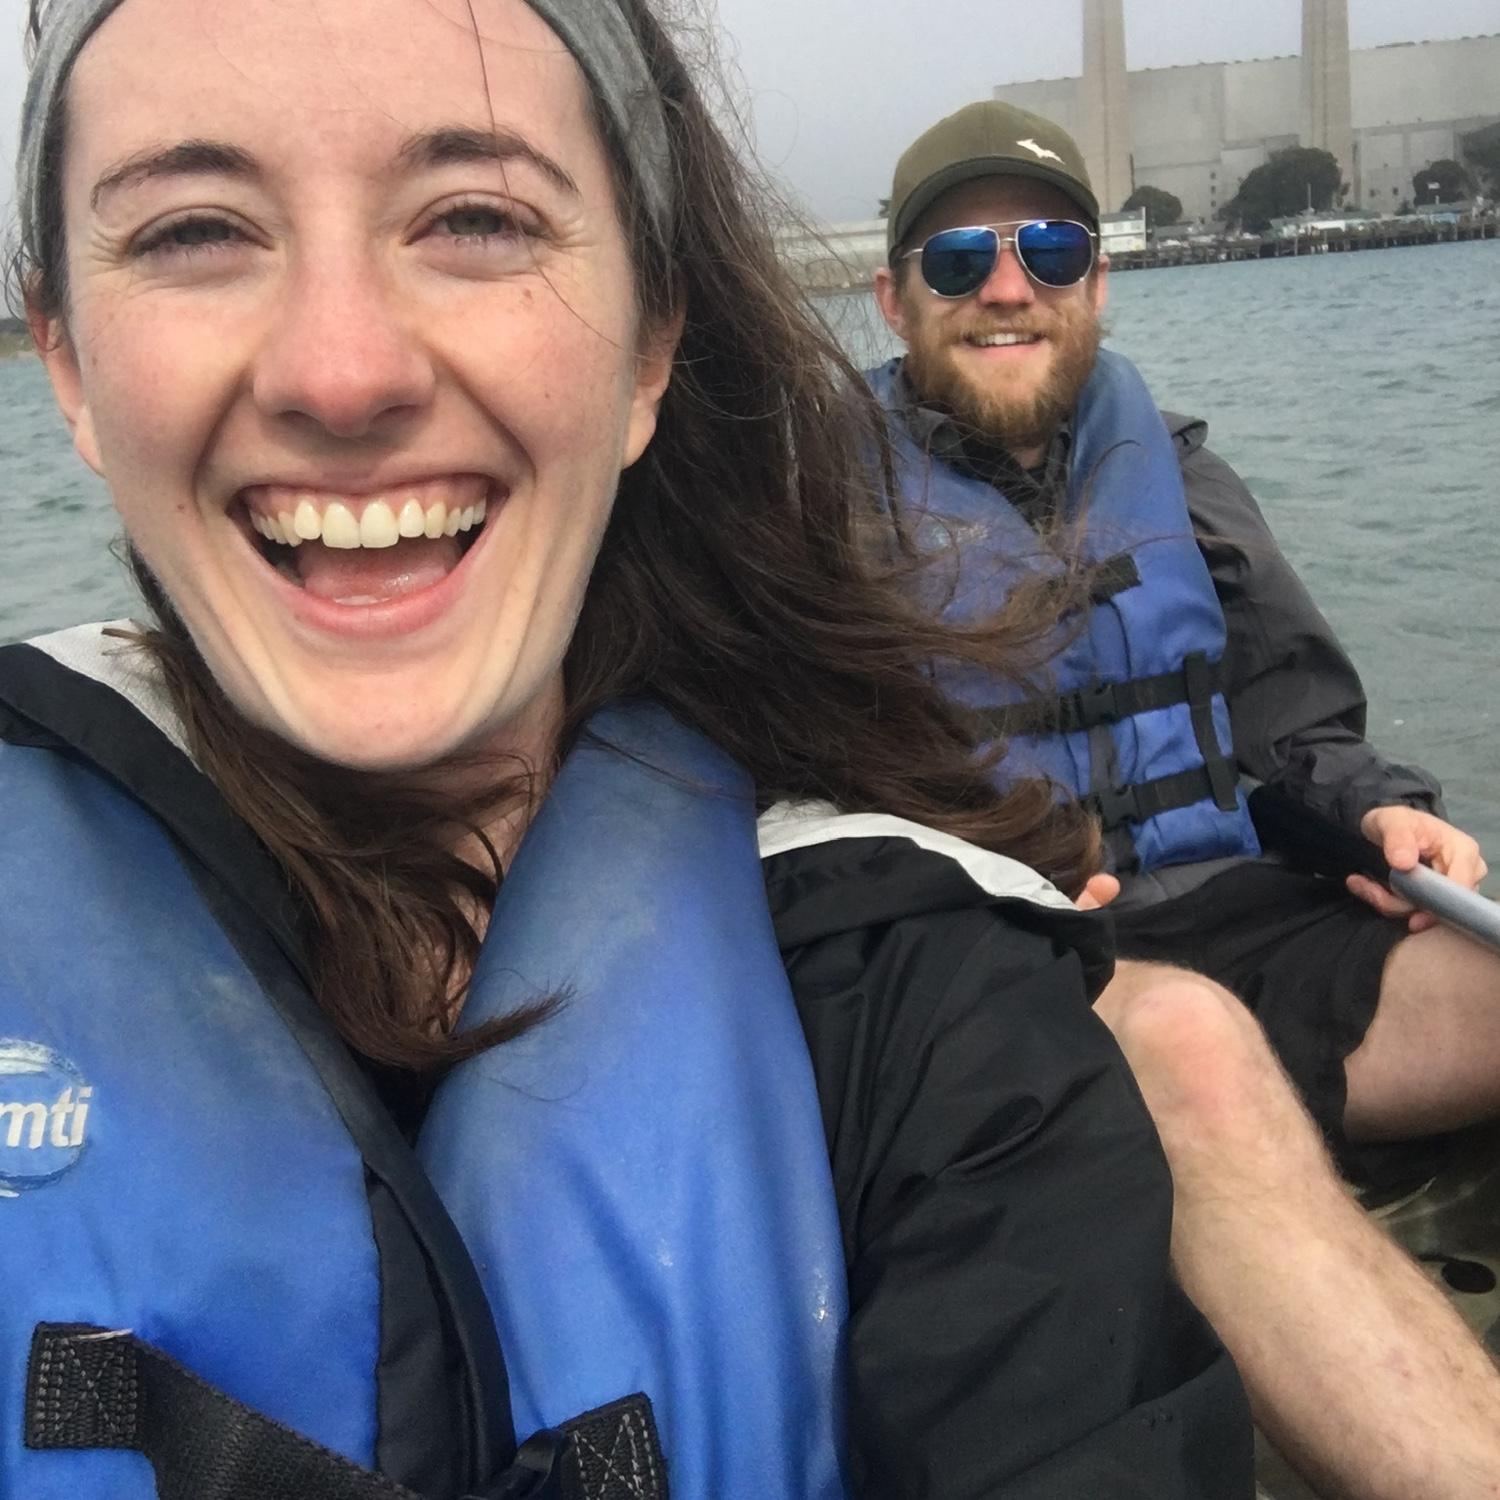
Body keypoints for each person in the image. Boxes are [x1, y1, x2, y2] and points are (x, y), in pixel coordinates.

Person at [0, 4, 1254, 1498]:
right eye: (196, 232)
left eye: (476, 218)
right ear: (66, 358)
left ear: (652, 348)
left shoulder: (929, 1026)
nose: (340, 372)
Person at [869, 98, 1500, 1500]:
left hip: (1238, 911)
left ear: (1096, 282)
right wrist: (981, 875)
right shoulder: (811, 512)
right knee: (1196, 1053)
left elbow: (1289, 715)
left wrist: (1376, 811)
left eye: (1047, 249)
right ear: (894, 298)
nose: (1008, 287)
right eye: (960, 261)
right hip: (1024, 963)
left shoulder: (1181, 471)